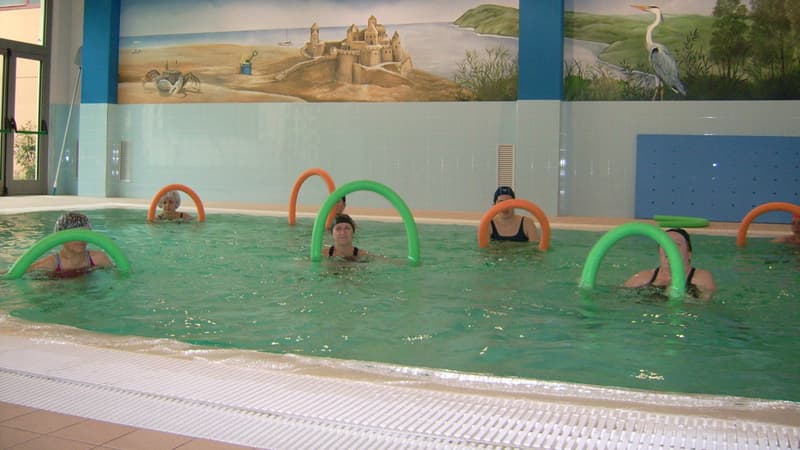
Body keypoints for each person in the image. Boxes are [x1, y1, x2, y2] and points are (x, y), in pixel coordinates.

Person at [624, 228, 716, 300]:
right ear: (659, 252)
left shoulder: (701, 278)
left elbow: (704, 307)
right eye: (666, 244)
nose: (670, 249)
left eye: (677, 244)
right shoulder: (642, 279)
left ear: (689, 254)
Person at [28, 211, 114, 276]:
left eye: (84, 234)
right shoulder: (50, 264)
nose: (80, 239)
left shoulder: (98, 259)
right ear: (61, 238)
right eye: (74, 235)